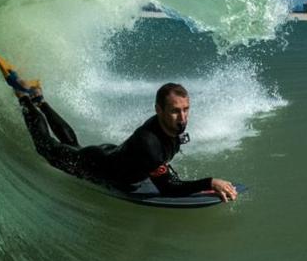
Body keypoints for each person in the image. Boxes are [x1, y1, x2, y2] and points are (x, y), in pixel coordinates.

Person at [16, 81, 239, 201]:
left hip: (112, 154)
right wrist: (209, 182)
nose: (182, 118)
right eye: (175, 111)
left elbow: (163, 166)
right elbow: (168, 188)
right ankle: (25, 99)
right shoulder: (148, 143)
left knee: (73, 144)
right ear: (158, 110)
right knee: (47, 147)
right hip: (92, 165)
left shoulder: (174, 127)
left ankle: (41, 100)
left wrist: (186, 184)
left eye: (186, 109)